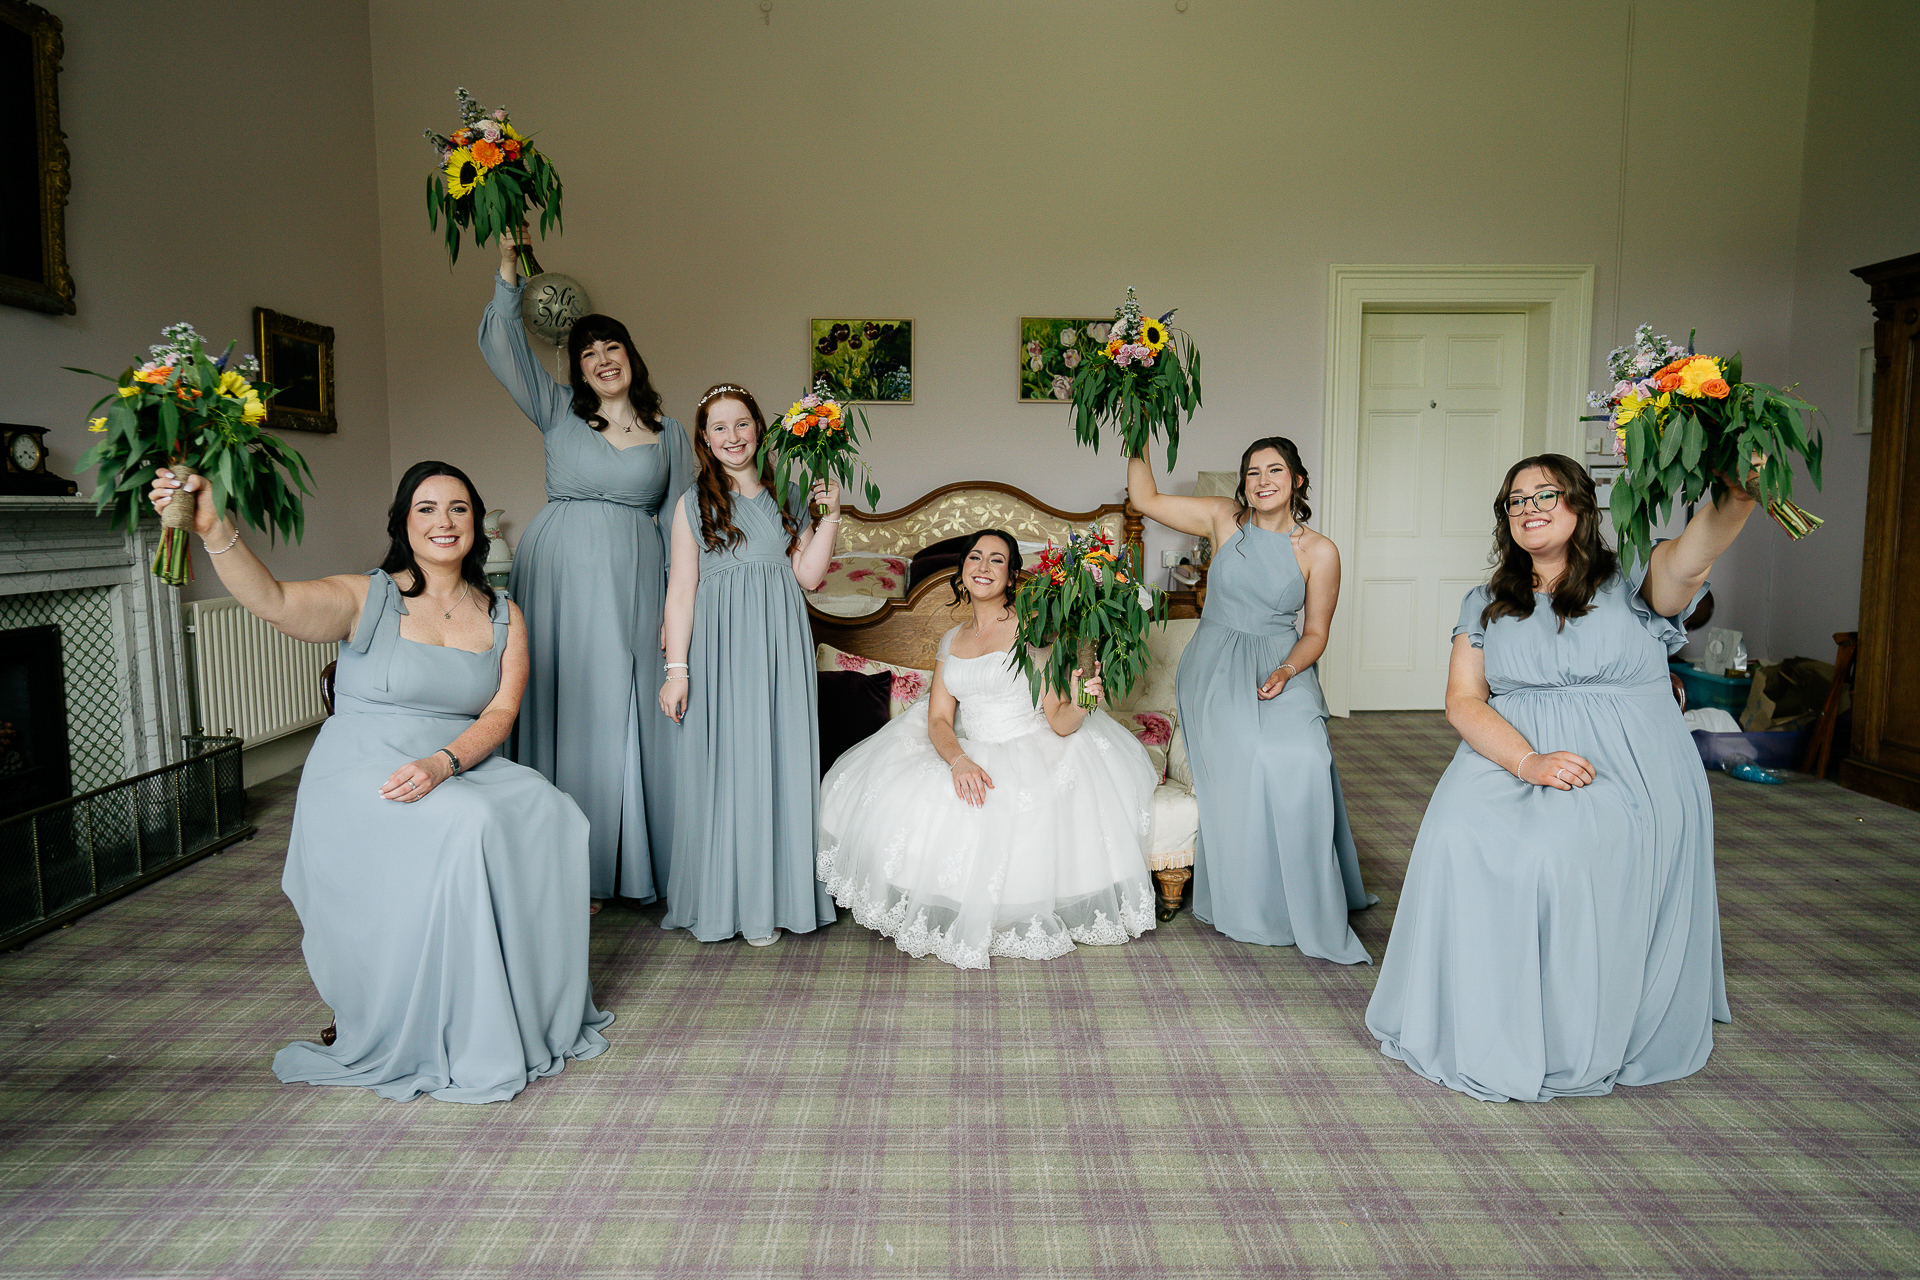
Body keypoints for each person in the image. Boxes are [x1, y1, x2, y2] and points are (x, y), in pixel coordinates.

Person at [149, 460, 612, 1103]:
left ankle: (522, 1007)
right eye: (426, 508)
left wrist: (445, 763)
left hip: (452, 759)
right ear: (402, 523)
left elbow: (501, 713)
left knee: (553, 811)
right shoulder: (369, 596)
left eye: (458, 508)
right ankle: (427, 1014)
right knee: (468, 824)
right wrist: (214, 528)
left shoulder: (504, 612)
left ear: (477, 524)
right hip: (362, 764)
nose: (443, 522)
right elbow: (275, 602)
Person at [1365, 454, 1753, 1102]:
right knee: (1455, 836)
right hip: (1515, 751)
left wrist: (1737, 498)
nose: (1531, 508)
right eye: (1516, 500)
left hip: (1622, 762)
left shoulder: (1634, 578)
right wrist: (1526, 762)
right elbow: (1463, 700)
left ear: (1581, 507)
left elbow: (1693, 557)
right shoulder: (1486, 601)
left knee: (1553, 853)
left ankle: (1561, 1024)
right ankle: (1479, 1011)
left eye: (1547, 494)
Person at [817, 530, 1159, 969]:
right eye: (975, 558)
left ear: (1012, 574)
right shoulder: (951, 640)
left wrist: (1079, 698)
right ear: (961, 571)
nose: (983, 567)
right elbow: (938, 719)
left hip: (1028, 745)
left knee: (1006, 805)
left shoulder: (1034, 630)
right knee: (906, 793)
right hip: (965, 745)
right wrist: (959, 761)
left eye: (996, 560)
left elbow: (1059, 722)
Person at [479, 230, 694, 910]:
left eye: (613, 348)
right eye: (588, 352)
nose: (602, 360)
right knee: (567, 699)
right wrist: (509, 274)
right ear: (576, 366)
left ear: (632, 356)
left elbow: (686, 520)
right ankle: (565, 862)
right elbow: (503, 348)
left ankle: (629, 860)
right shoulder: (556, 411)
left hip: (635, 573)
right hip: (559, 568)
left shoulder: (669, 432)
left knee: (625, 704)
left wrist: (676, 603)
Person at [1128, 438, 1375, 963]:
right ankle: (1256, 898)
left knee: (1303, 759)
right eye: (1253, 472)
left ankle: (1310, 896)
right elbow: (1145, 498)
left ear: (1298, 480)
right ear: (1243, 483)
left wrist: (1287, 669)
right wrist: (1138, 420)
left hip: (1282, 664)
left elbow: (1316, 632)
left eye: (1276, 470)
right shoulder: (1223, 519)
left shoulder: (1320, 550)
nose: (1263, 480)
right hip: (1215, 666)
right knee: (1247, 768)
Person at [657, 385, 839, 945]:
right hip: (718, 649)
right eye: (719, 427)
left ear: (759, 429)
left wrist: (831, 517)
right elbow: (681, 591)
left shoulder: (788, 494)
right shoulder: (693, 504)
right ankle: (727, 901)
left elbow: (808, 576)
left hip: (779, 647)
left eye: (741, 424)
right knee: (725, 767)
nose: (732, 437)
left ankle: (776, 900)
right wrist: (677, 671)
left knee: (778, 761)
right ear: (705, 439)